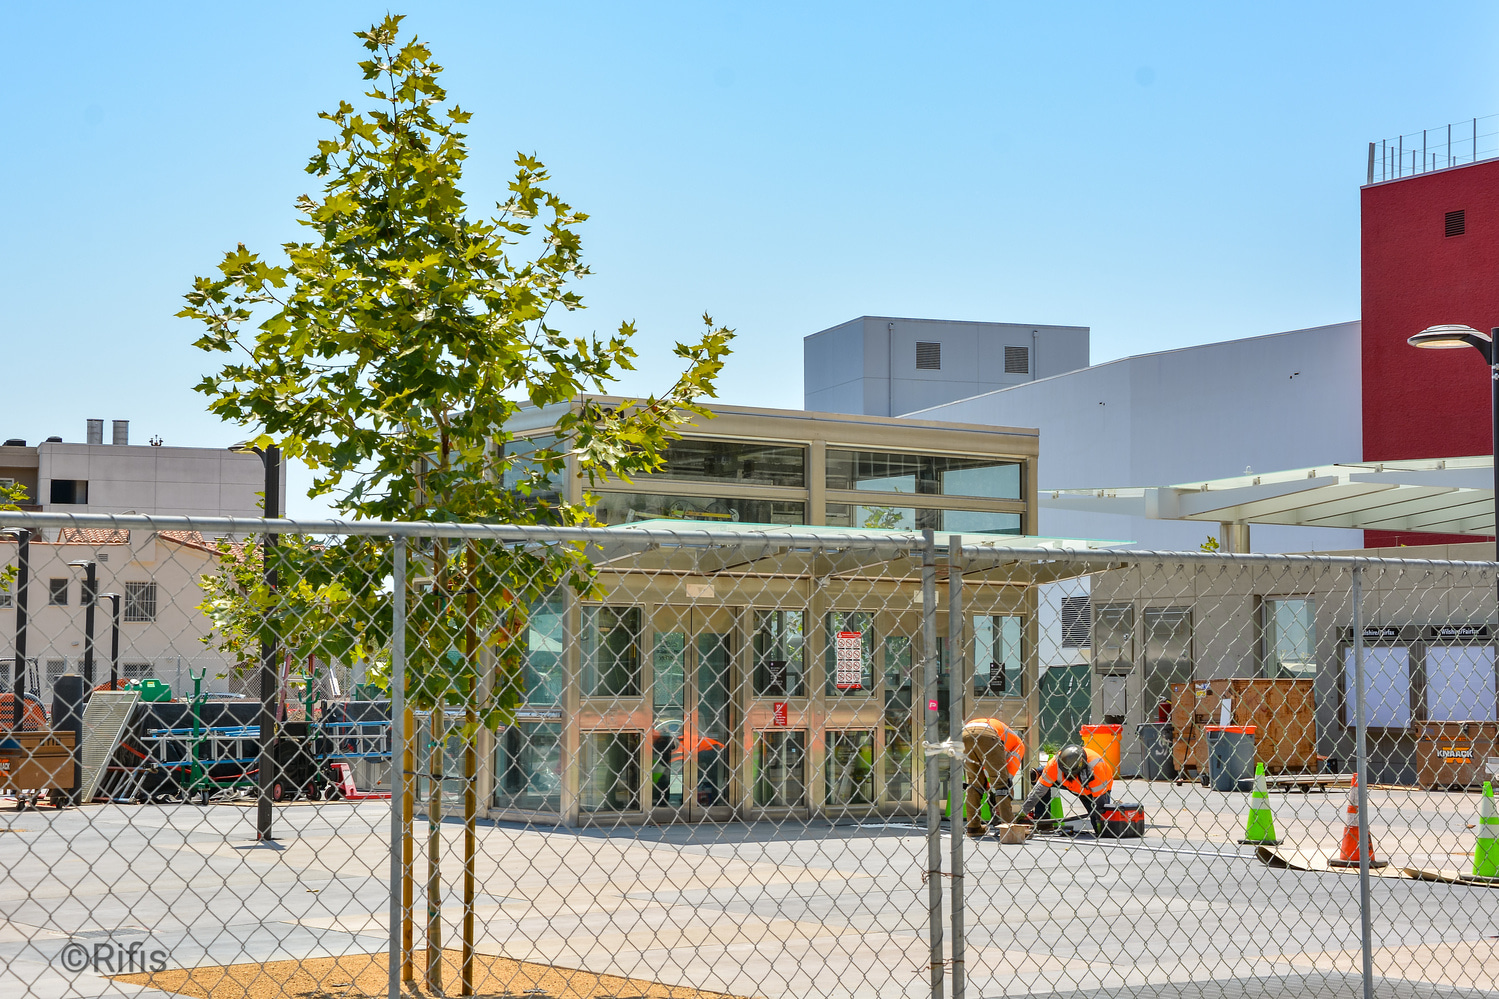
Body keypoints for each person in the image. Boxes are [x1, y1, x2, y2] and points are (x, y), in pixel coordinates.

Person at [1019, 744, 1115, 829]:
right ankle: (1043, 822)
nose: (1070, 775)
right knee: (1039, 775)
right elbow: (1038, 791)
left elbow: (1099, 801)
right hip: (1069, 785)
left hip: (1091, 791)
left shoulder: (1096, 768)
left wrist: (1098, 814)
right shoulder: (1054, 764)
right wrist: (1022, 813)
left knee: (1101, 826)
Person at [960, 716, 1026, 836]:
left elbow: (986, 774)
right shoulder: (1019, 746)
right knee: (1003, 784)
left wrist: (989, 787)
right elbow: (1007, 780)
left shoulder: (1005, 738)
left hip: (965, 734)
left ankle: (973, 827)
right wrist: (1001, 792)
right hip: (987, 735)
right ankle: (1009, 827)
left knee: (974, 784)